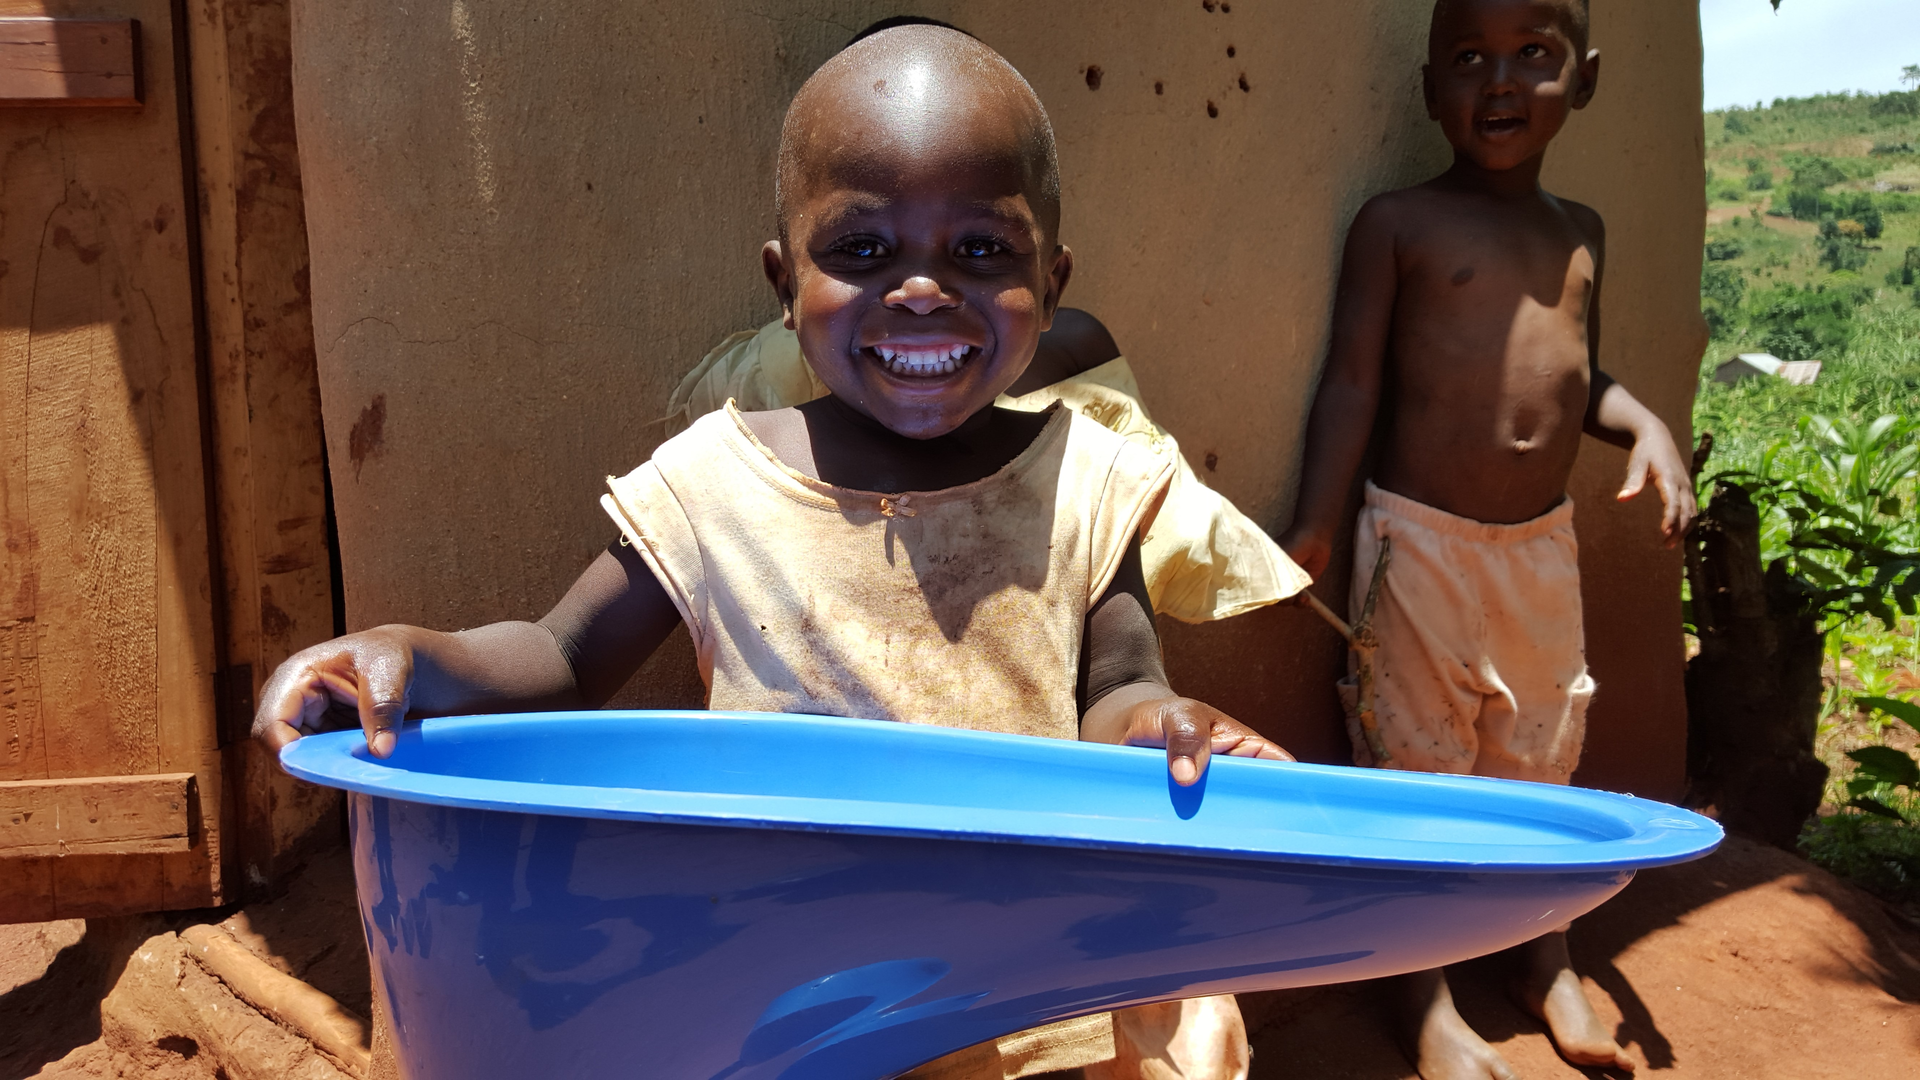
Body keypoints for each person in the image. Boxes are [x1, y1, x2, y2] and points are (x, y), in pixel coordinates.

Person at [255, 23, 1284, 1080]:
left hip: (1030, 1003)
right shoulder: (715, 485)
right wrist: (408, 655)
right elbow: (561, 656)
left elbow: (1116, 688)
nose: (922, 289)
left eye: (981, 249)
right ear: (783, 282)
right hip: (781, 1005)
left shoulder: (1086, 484)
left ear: (1053, 280)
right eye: (862, 251)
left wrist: (1161, 726)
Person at [1277, 2, 1695, 1078]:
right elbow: (1353, 382)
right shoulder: (1399, 223)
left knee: (1536, 753)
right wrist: (1318, 523)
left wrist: (1644, 423)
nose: (1498, 81)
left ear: (1586, 79)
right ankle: (1423, 993)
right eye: (1468, 58)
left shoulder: (1582, 231)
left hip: (1539, 549)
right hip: (1417, 546)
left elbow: (1579, 375)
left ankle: (1539, 949)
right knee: (1416, 757)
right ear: (1429, 88)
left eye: (1533, 56)